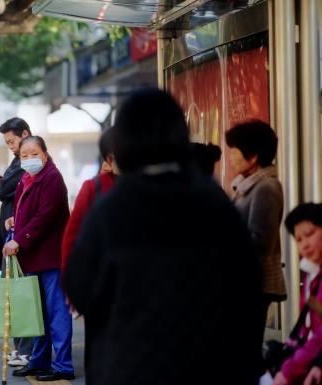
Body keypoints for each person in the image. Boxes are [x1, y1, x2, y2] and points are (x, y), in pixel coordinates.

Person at [64, 88, 263, 385]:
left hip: (130, 366)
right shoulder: (215, 203)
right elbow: (247, 286)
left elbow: (81, 286)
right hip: (208, 366)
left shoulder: (113, 209)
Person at [3, 136, 74, 381]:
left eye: (34, 154)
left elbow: (45, 216)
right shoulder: (25, 178)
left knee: (57, 313)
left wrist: (19, 239)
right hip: (32, 256)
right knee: (38, 314)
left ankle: (63, 365)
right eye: (24, 155)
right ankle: (39, 361)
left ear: (45, 154)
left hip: (50, 256)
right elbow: (25, 211)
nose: (29, 159)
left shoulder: (52, 178)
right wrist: (14, 220)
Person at [226, 120, 287, 327]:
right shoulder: (248, 186)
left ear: (253, 157)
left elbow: (259, 242)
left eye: (234, 152)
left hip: (252, 285)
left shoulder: (266, 188)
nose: (231, 157)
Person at [0, 117, 33, 367]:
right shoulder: (17, 162)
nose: (11, 147)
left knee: (20, 296)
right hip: (10, 239)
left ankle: (26, 351)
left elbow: (7, 190)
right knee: (12, 296)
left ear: (25, 134)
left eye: (12, 141)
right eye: (7, 143)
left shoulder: (28, 164)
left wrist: (1, 185)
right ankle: (21, 349)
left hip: (20, 241)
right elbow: (5, 191)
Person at [272, 203, 322, 385]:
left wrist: (289, 370)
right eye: (299, 239)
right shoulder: (311, 275)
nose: (305, 244)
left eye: (310, 234)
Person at [61, 126, 117, 274]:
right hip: (102, 278)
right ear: (109, 159)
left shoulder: (149, 186)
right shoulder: (93, 187)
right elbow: (71, 238)